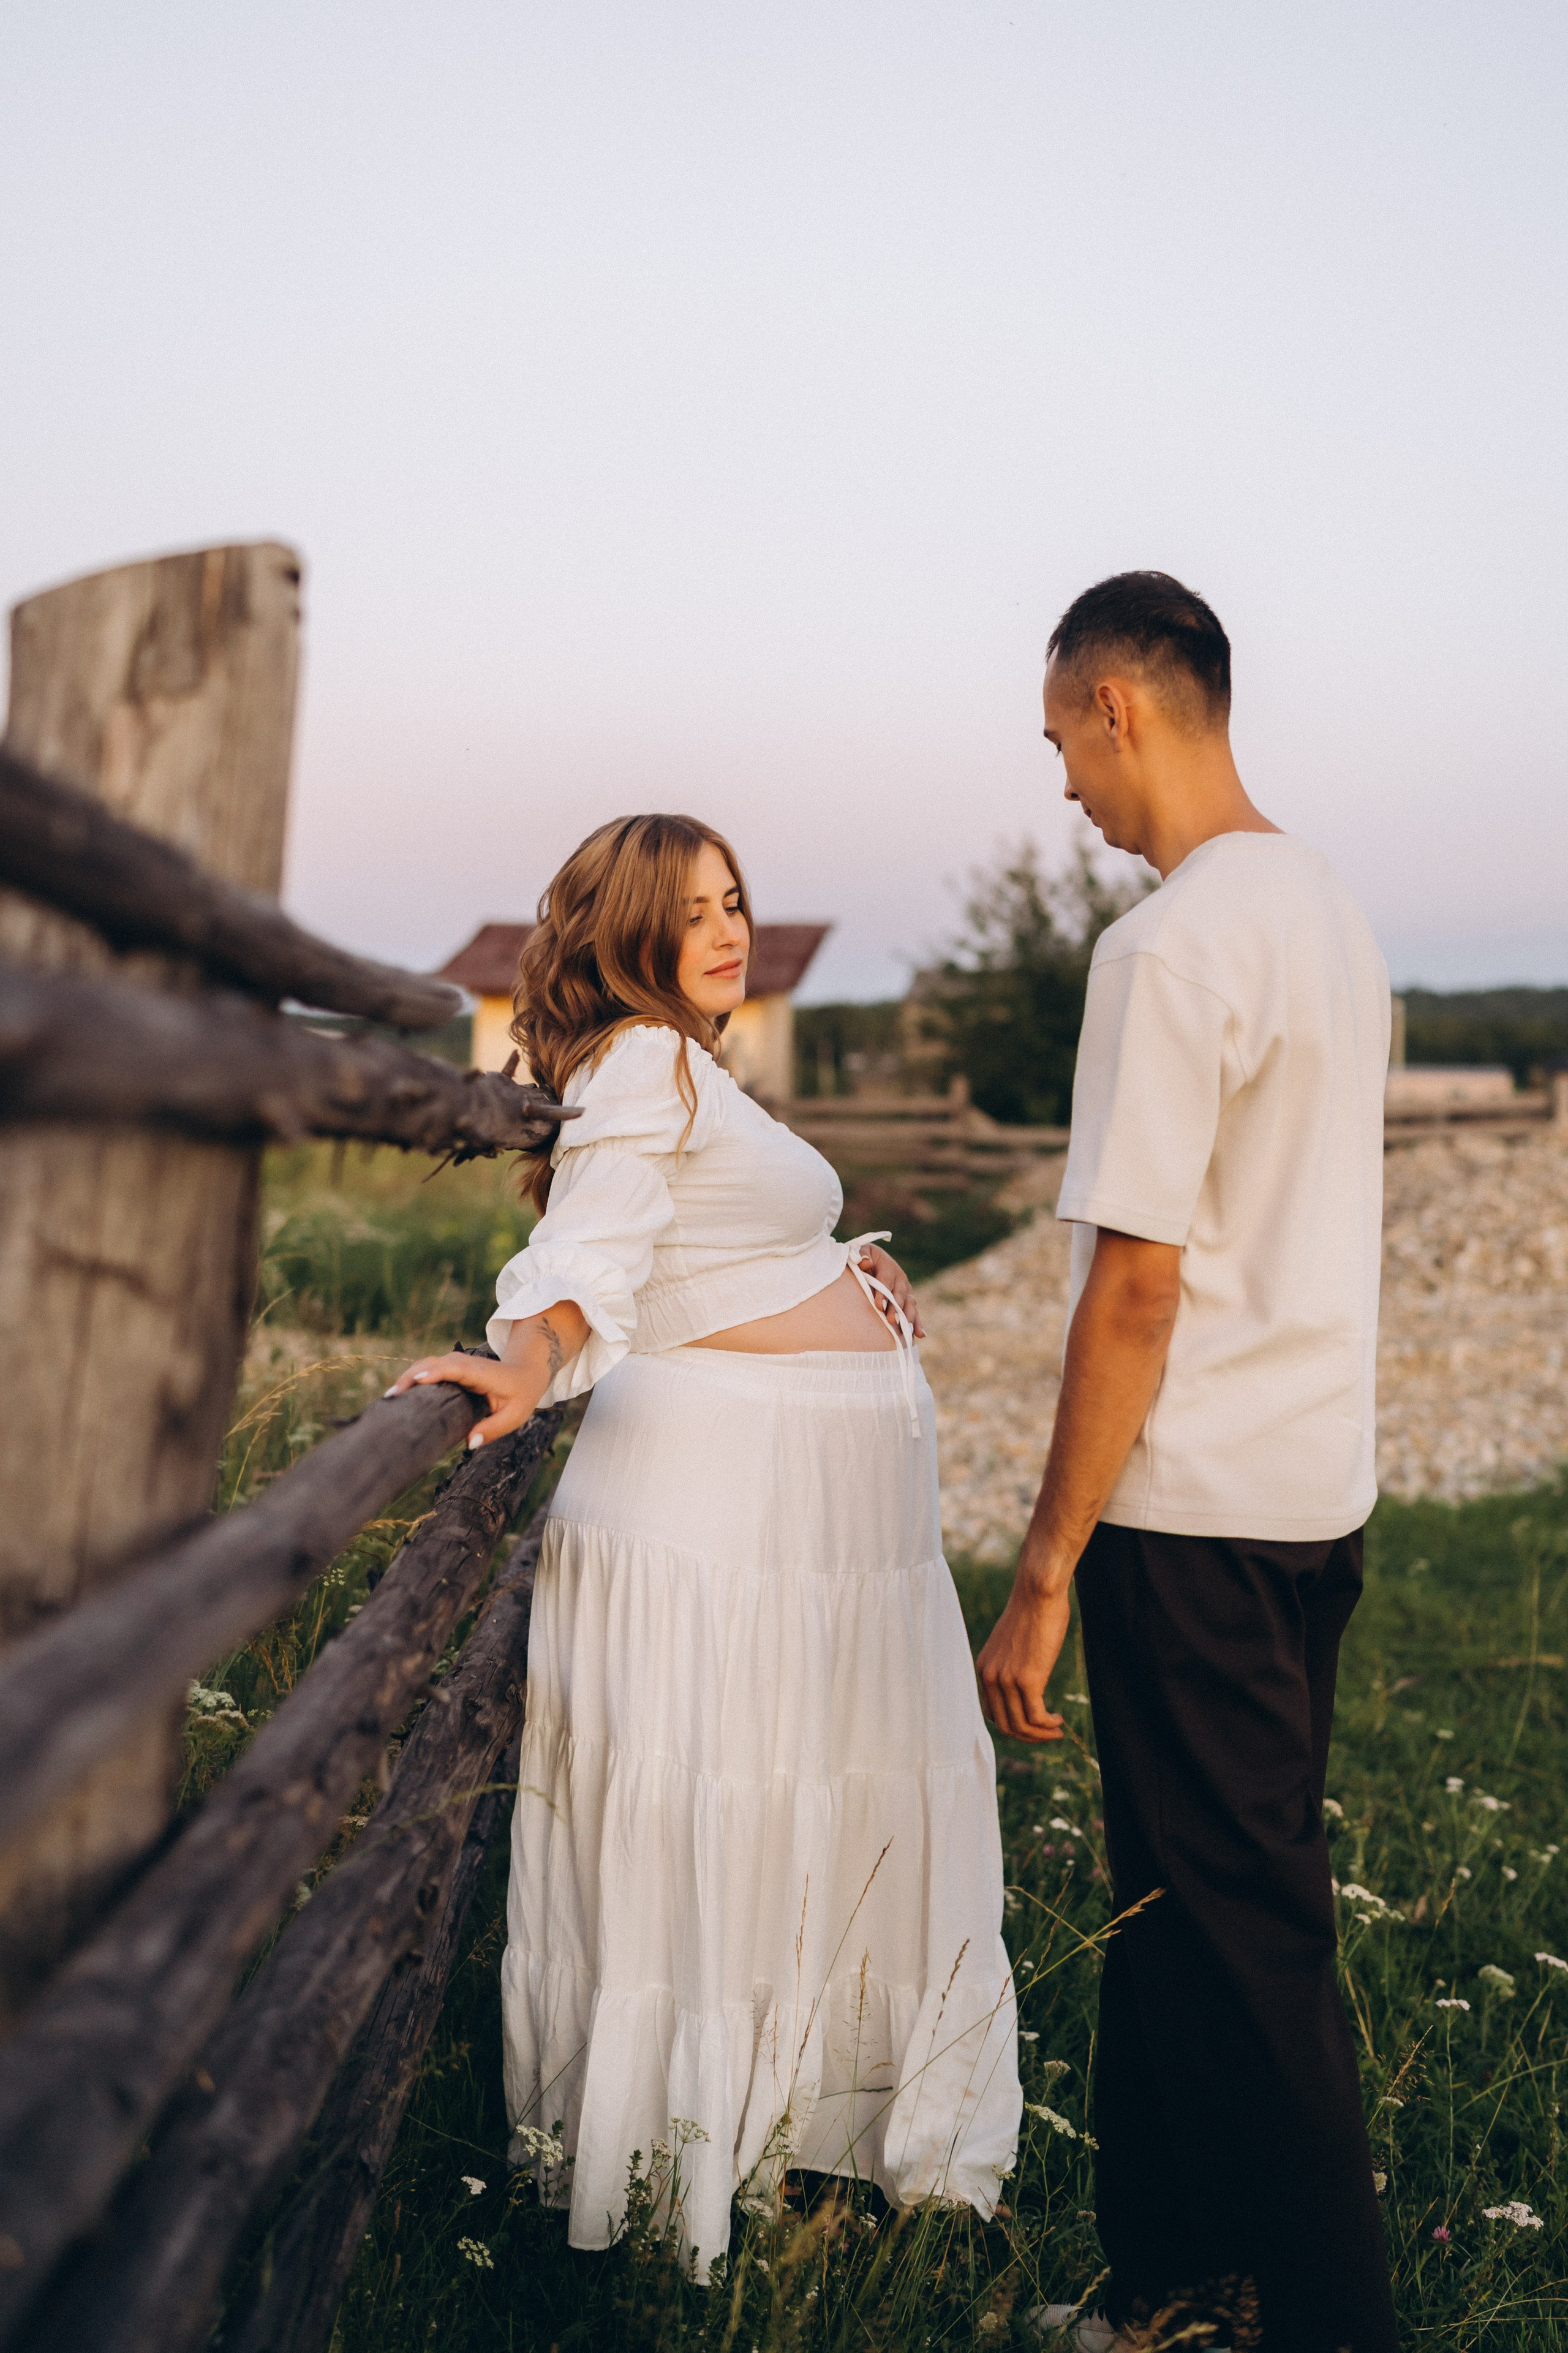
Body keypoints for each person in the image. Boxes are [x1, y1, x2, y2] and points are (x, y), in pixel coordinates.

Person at [390, 814, 1019, 2275]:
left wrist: (839, 1261)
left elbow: (706, 1242)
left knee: (795, 1807)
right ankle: (692, 2156)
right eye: (692, 910)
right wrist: (528, 1357)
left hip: (801, 1536)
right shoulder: (645, 1055)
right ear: (628, 930)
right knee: (729, 1809)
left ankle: (787, 2132)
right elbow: (597, 1247)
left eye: (734, 900)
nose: (728, 929)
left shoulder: (691, 1064)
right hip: (718, 1522)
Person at [977, 574, 1397, 2352]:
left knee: (1248, 1940)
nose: (1062, 775)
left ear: (1119, 702)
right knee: (1173, 1906)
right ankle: (1169, 2287)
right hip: (1315, 1502)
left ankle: (1326, 2322)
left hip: (1195, 1516)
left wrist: (1048, 1564)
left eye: (1060, 731)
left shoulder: (1166, 946)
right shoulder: (1327, 908)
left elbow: (1137, 1283)